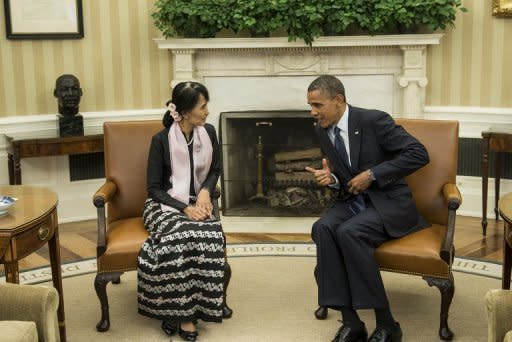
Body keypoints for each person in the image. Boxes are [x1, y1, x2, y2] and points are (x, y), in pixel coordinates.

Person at [305, 75, 430, 342]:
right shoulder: (321, 129)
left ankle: (387, 324)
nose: (312, 112)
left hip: (388, 202)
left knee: (350, 232)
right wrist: (333, 179)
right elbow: (344, 176)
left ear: (338, 100)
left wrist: (373, 174)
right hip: (353, 200)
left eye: (317, 105)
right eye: (311, 106)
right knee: (323, 228)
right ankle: (352, 323)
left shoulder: (374, 121)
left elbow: (418, 153)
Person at [137, 81, 224, 342]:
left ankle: (191, 308)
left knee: (209, 236)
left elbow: (215, 170)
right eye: (203, 106)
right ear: (185, 112)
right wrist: (185, 208)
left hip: (197, 202)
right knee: (180, 237)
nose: (208, 111)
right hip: (163, 205)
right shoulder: (161, 140)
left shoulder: (208, 132)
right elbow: (153, 189)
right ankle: (183, 316)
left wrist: (206, 191)